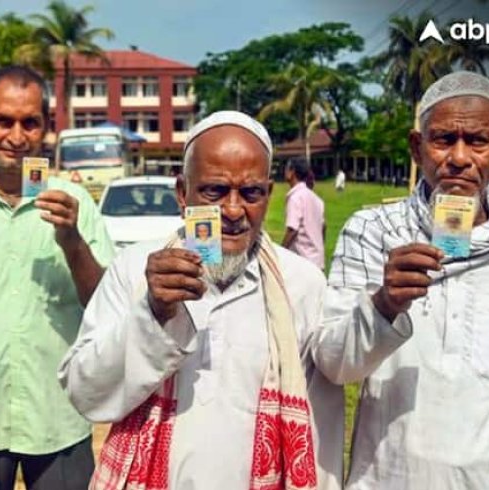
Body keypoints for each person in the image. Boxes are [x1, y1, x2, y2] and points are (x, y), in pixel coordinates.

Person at [316, 71, 489, 490]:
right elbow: (335, 365)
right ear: (416, 147)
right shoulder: (372, 232)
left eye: (477, 141)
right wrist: (384, 304)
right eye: (443, 139)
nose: (459, 158)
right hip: (390, 479)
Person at [60, 111, 344, 490]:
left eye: (251, 193)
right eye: (214, 191)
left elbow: (326, 410)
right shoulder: (133, 269)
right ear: (182, 193)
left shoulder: (302, 284)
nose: (233, 211)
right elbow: (85, 393)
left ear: (268, 194)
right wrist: (152, 314)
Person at [0, 65, 114, 490]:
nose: (16, 136)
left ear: (46, 126)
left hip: (57, 419)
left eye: (30, 123)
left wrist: (72, 241)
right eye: (3, 121)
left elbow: (106, 306)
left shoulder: (76, 204)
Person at [282, 157, 325, 271]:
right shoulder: (317, 199)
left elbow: (292, 230)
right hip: (318, 262)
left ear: (292, 172)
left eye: (286, 168)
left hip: (304, 263)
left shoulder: (295, 198)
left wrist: (281, 253)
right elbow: (324, 227)